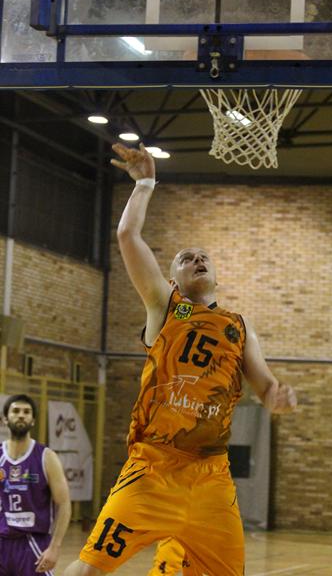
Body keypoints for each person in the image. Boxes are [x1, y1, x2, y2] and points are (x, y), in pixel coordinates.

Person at [64, 143, 297, 576]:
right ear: (172, 279)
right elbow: (127, 236)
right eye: (186, 259)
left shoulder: (239, 326)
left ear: (216, 275)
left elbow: (265, 385)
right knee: (90, 566)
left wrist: (277, 398)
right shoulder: (164, 305)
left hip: (212, 478)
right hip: (153, 469)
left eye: (203, 257)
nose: (197, 260)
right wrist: (145, 184)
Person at [0, 393, 71, 575]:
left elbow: (64, 504)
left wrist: (55, 547)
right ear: (5, 419)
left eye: (26, 412)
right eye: (16, 411)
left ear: (32, 421)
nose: (21, 415)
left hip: (34, 544)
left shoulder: (46, 457)